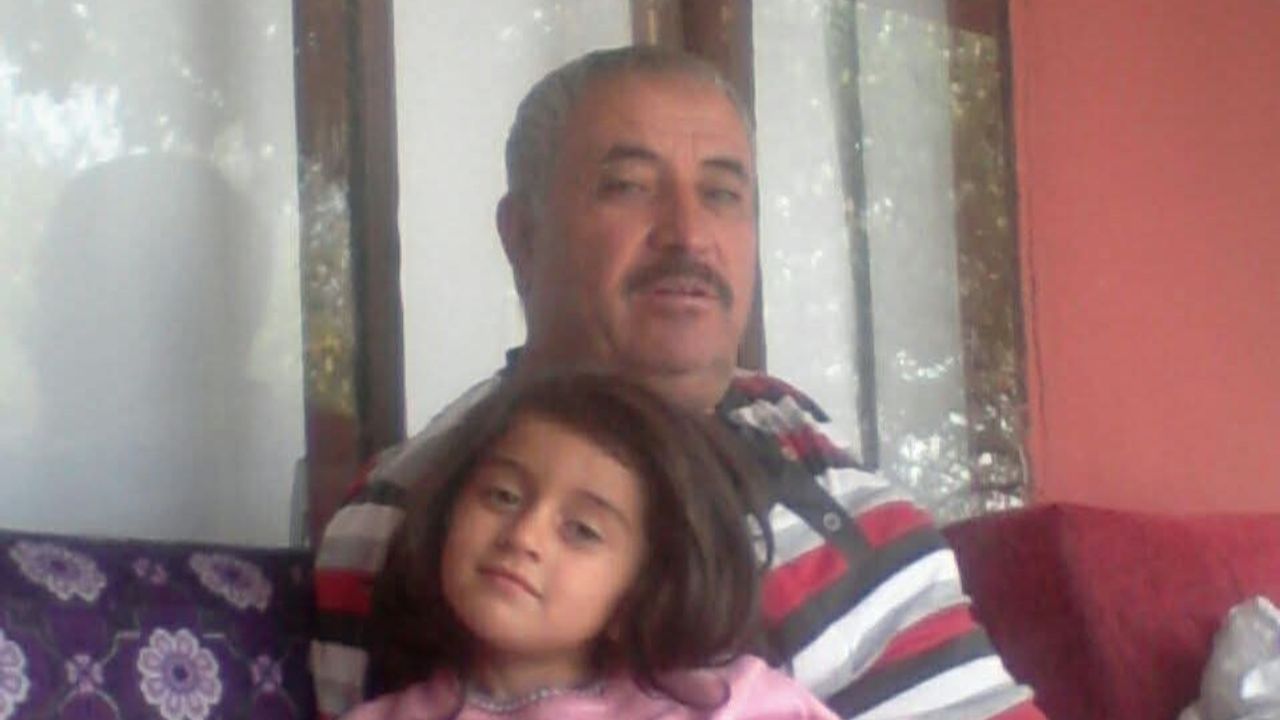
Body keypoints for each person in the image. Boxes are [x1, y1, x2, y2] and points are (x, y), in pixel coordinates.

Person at [313, 45, 1046, 719]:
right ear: (524, 237)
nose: (690, 234)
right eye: (629, 187)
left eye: (722, 194)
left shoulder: (784, 418)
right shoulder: (436, 511)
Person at [343, 372, 838, 719]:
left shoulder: (730, 705)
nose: (524, 536)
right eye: (503, 496)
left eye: (582, 530)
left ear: (645, 586)